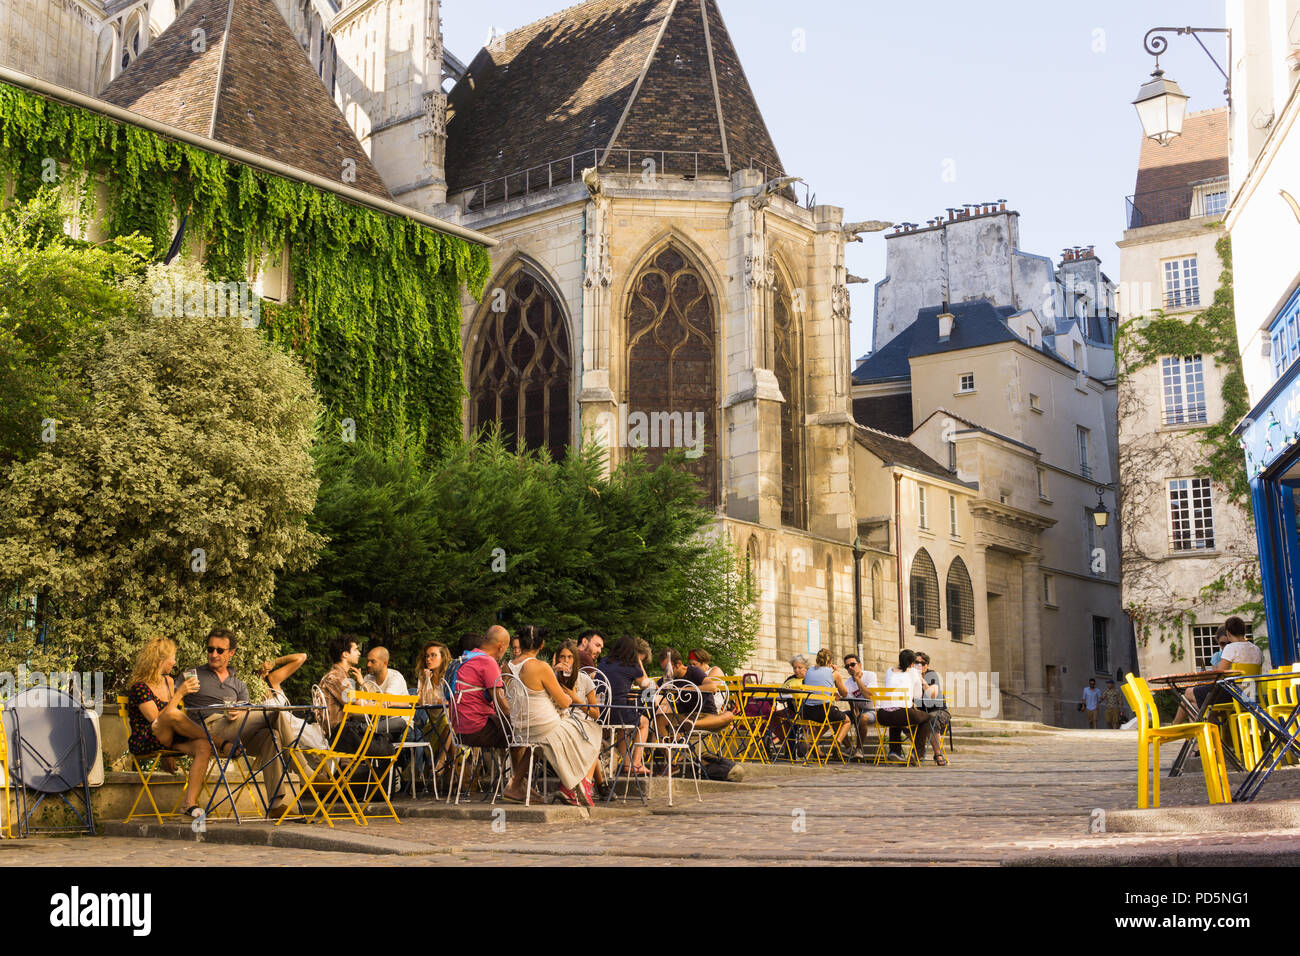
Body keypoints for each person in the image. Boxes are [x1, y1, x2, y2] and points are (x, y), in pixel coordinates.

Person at [187, 627, 295, 816]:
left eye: (219, 650)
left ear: (231, 653)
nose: (213, 654)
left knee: (272, 736)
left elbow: (247, 709)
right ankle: (308, 774)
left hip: (236, 729)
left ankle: (275, 805)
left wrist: (240, 711)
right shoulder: (193, 674)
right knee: (275, 712)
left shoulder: (238, 684)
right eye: (210, 649)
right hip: (209, 730)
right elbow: (173, 709)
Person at [505, 626, 602, 806]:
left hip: (520, 726)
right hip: (545, 726)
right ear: (542, 645)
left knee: (539, 745)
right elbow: (564, 703)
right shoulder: (541, 666)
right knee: (592, 731)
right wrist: (569, 695)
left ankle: (515, 784)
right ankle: (577, 786)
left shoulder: (507, 666)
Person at [126, 637, 213, 818]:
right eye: (172, 657)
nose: (174, 662)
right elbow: (158, 720)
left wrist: (168, 749)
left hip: (170, 739)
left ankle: (189, 805)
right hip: (147, 739)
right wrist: (180, 694)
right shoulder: (140, 688)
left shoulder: (169, 682)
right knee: (173, 714)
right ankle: (220, 742)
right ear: (160, 660)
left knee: (204, 746)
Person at [449, 626, 534, 804]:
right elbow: (500, 702)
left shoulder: (465, 658)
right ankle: (517, 786)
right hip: (477, 728)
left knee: (514, 730)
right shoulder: (487, 662)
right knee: (523, 733)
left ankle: (518, 784)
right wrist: (518, 718)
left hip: (459, 730)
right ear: (502, 646)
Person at [1182, 617, 1264, 720]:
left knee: (1188, 693)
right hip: (1251, 694)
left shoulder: (1231, 648)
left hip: (1234, 694)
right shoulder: (1257, 650)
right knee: (1193, 704)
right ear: (1244, 631)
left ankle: (1193, 731)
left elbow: (1219, 674)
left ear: (1228, 633)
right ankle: (1204, 732)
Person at [597, 636, 654, 777]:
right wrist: (639, 664)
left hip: (600, 712)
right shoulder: (631, 666)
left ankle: (628, 764)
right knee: (644, 722)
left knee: (626, 726)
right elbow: (648, 690)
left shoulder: (603, 662)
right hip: (618, 713)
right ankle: (636, 763)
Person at [878, 649, 938, 764]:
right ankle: (917, 754)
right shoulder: (914, 672)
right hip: (902, 712)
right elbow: (917, 695)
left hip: (882, 715)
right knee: (926, 717)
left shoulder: (889, 671)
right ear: (912, 663)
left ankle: (894, 751)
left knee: (896, 717)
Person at [657, 648, 733, 737]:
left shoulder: (693, 671)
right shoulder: (669, 677)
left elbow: (712, 687)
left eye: (668, 669)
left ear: (679, 664)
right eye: (664, 670)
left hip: (706, 716)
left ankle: (693, 724)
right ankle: (668, 750)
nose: (667, 672)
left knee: (729, 715)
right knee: (659, 719)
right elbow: (656, 687)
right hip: (684, 717)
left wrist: (683, 689)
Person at [798, 648, 851, 753]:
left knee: (827, 722)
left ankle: (809, 740)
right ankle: (837, 743)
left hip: (806, 711)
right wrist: (836, 672)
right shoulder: (834, 674)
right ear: (831, 662)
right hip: (823, 711)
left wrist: (830, 692)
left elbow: (814, 688)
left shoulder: (809, 671)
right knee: (847, 721)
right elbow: (844, 693)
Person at [414, 642, 454, 782]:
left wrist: (438, 701)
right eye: (427, 656)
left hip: (448, 726)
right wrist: (426, 681)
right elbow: (421, 701)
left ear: (443, 658)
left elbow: (454, 701)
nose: (428, 659)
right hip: (431, 728)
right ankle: (445, 774)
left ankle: (441, 761)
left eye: (433, 655)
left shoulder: (449, 677)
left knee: (448, 721)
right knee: (448, 722)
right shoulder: (424, 677)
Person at [915, 652, 950, 761]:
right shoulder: (910, 677)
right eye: (916, 662)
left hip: (939, 711)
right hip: (920, 712)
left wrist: (921, 680)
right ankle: (916, 752)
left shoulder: (932, 675)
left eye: (923, 663)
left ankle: (937, 754)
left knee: (931, 719)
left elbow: (933, 695)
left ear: (927, 665)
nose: (919, 665)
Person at [842, 654, 878, 760]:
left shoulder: (870, 675)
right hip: (859, 710)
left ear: (860, 665)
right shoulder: (847, 683)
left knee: (862, 718)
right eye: (847, 666)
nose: (850, 668)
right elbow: (853, 705)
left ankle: (859, 749)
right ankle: (849, 748)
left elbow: (869, 695)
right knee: (837, 717)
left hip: (873, 710)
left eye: (852, 664)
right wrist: (855, 714)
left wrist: (857, 679)